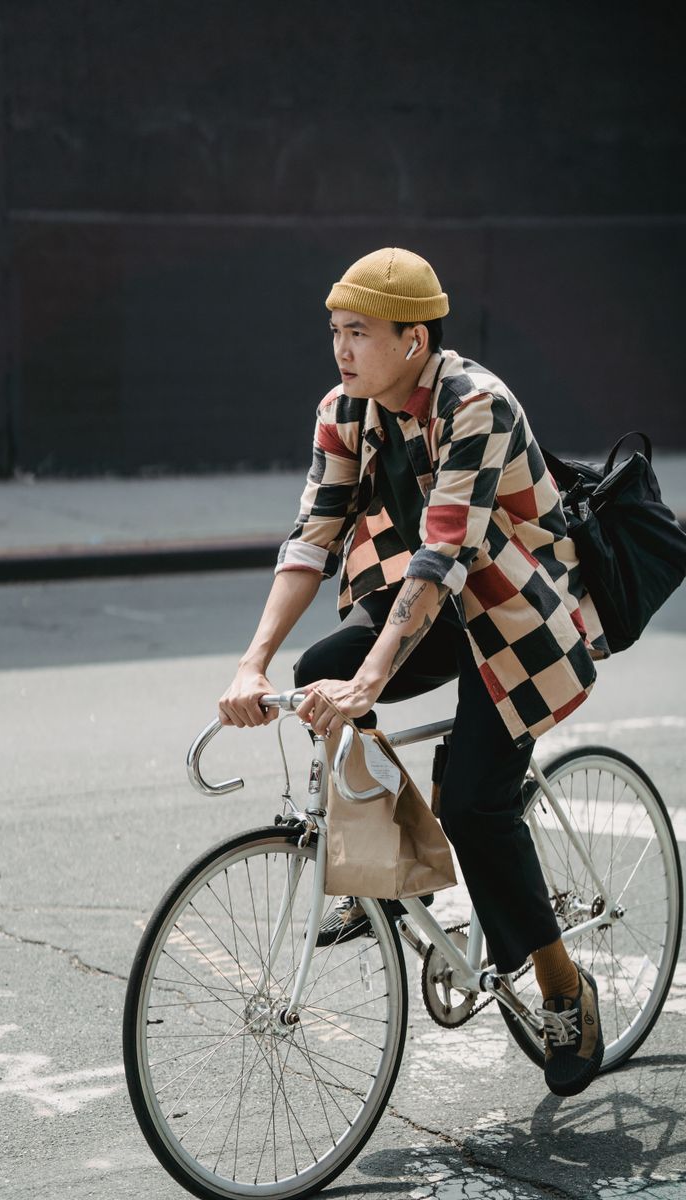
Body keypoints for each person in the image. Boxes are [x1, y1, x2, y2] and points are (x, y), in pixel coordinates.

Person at [218, 247, 609, 1098]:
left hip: (517, 618)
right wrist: (252, 665)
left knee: (473, 799)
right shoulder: (347, 409)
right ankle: (380, 860)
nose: (341, 349)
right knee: (322, 665)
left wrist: (372, 682)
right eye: (334, 331)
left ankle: (561, 987)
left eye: (358, 332)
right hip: (430, 607)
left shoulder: (478, 405)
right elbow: (312, 538)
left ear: (413, 339)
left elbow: (442, 556)